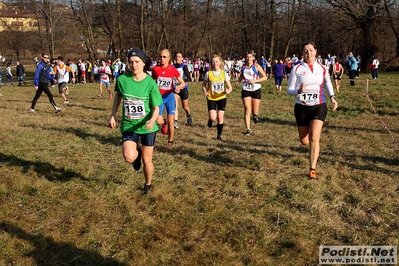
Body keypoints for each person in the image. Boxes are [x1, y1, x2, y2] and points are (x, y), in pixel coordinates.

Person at [109, 49, 163, 194]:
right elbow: (118, 96)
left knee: (147, 161)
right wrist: (113, 115)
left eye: (137, 62)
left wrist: (152, 120)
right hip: (129, 125)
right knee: (128, 157)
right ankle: (136, 154)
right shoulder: (122, 80)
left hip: (147, 126)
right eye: (131, 62)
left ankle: (148, 184)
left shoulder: (150, 83)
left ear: (143, 63)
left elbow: (156, 107)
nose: (134, 65)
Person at [287, 42, 338, 179]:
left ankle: (312, 168)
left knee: (315, 136)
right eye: (305, 50)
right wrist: (297, 90)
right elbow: (289, 89)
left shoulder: (322, 68)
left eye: (310, 50)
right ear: (302, 53)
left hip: (319, 105)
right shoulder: (297, 69)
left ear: (315, 51)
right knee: (304, 141)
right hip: (301, 107)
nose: (308, 53)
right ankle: (311, 146)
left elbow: (327, 83)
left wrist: (332, 97)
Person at [152, 49, 185, 148]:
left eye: (164, 57)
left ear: (168, 58)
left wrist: (179, 87)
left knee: (171, 121)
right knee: (158, 120)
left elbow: (183, 82)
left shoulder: (172, 69)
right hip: (159, 98)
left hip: (170, 97)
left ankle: (170, 141)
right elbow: (152, 82)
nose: (162, 59)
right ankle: (164, 123)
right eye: (160, 56)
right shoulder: (155, 69)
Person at [235, 50, 268, 135]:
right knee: (247, 108)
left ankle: (255, 116)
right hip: (246, 89)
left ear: (253, 58)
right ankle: (248, 129)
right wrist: (238, 81)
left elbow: (265, 77)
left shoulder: (257, 66)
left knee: (255, 111)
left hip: (256, 89)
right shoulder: (243, 66)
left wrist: (255, 81)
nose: (249, 58)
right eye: (247, 57)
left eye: (250, 57)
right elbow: (242, 76)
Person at [202, 54, 233, 140]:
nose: (215, 63)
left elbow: (230, 87)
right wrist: (205, 91)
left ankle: (219, 135)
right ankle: (210, 120)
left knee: (220, 117)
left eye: (216, 61)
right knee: (213, 117)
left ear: (220, 62)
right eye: (213, 62)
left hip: (222, 97)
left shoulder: (224, 74)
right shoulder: (208, 74)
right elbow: (203, 85)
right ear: (211, 64)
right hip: (211, 98)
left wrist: (228, 90)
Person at [173, 52, 193, 129]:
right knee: (175, 104)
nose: (177, 58)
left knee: (185, 107)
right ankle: (175, 121)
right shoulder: (172, 66)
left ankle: (189, 116)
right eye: (176, 56)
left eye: (179, 57)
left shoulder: (184, 66)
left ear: (182, 59)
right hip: (175, 89)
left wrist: (181, 80)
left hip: (183, 89)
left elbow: (189, 78)